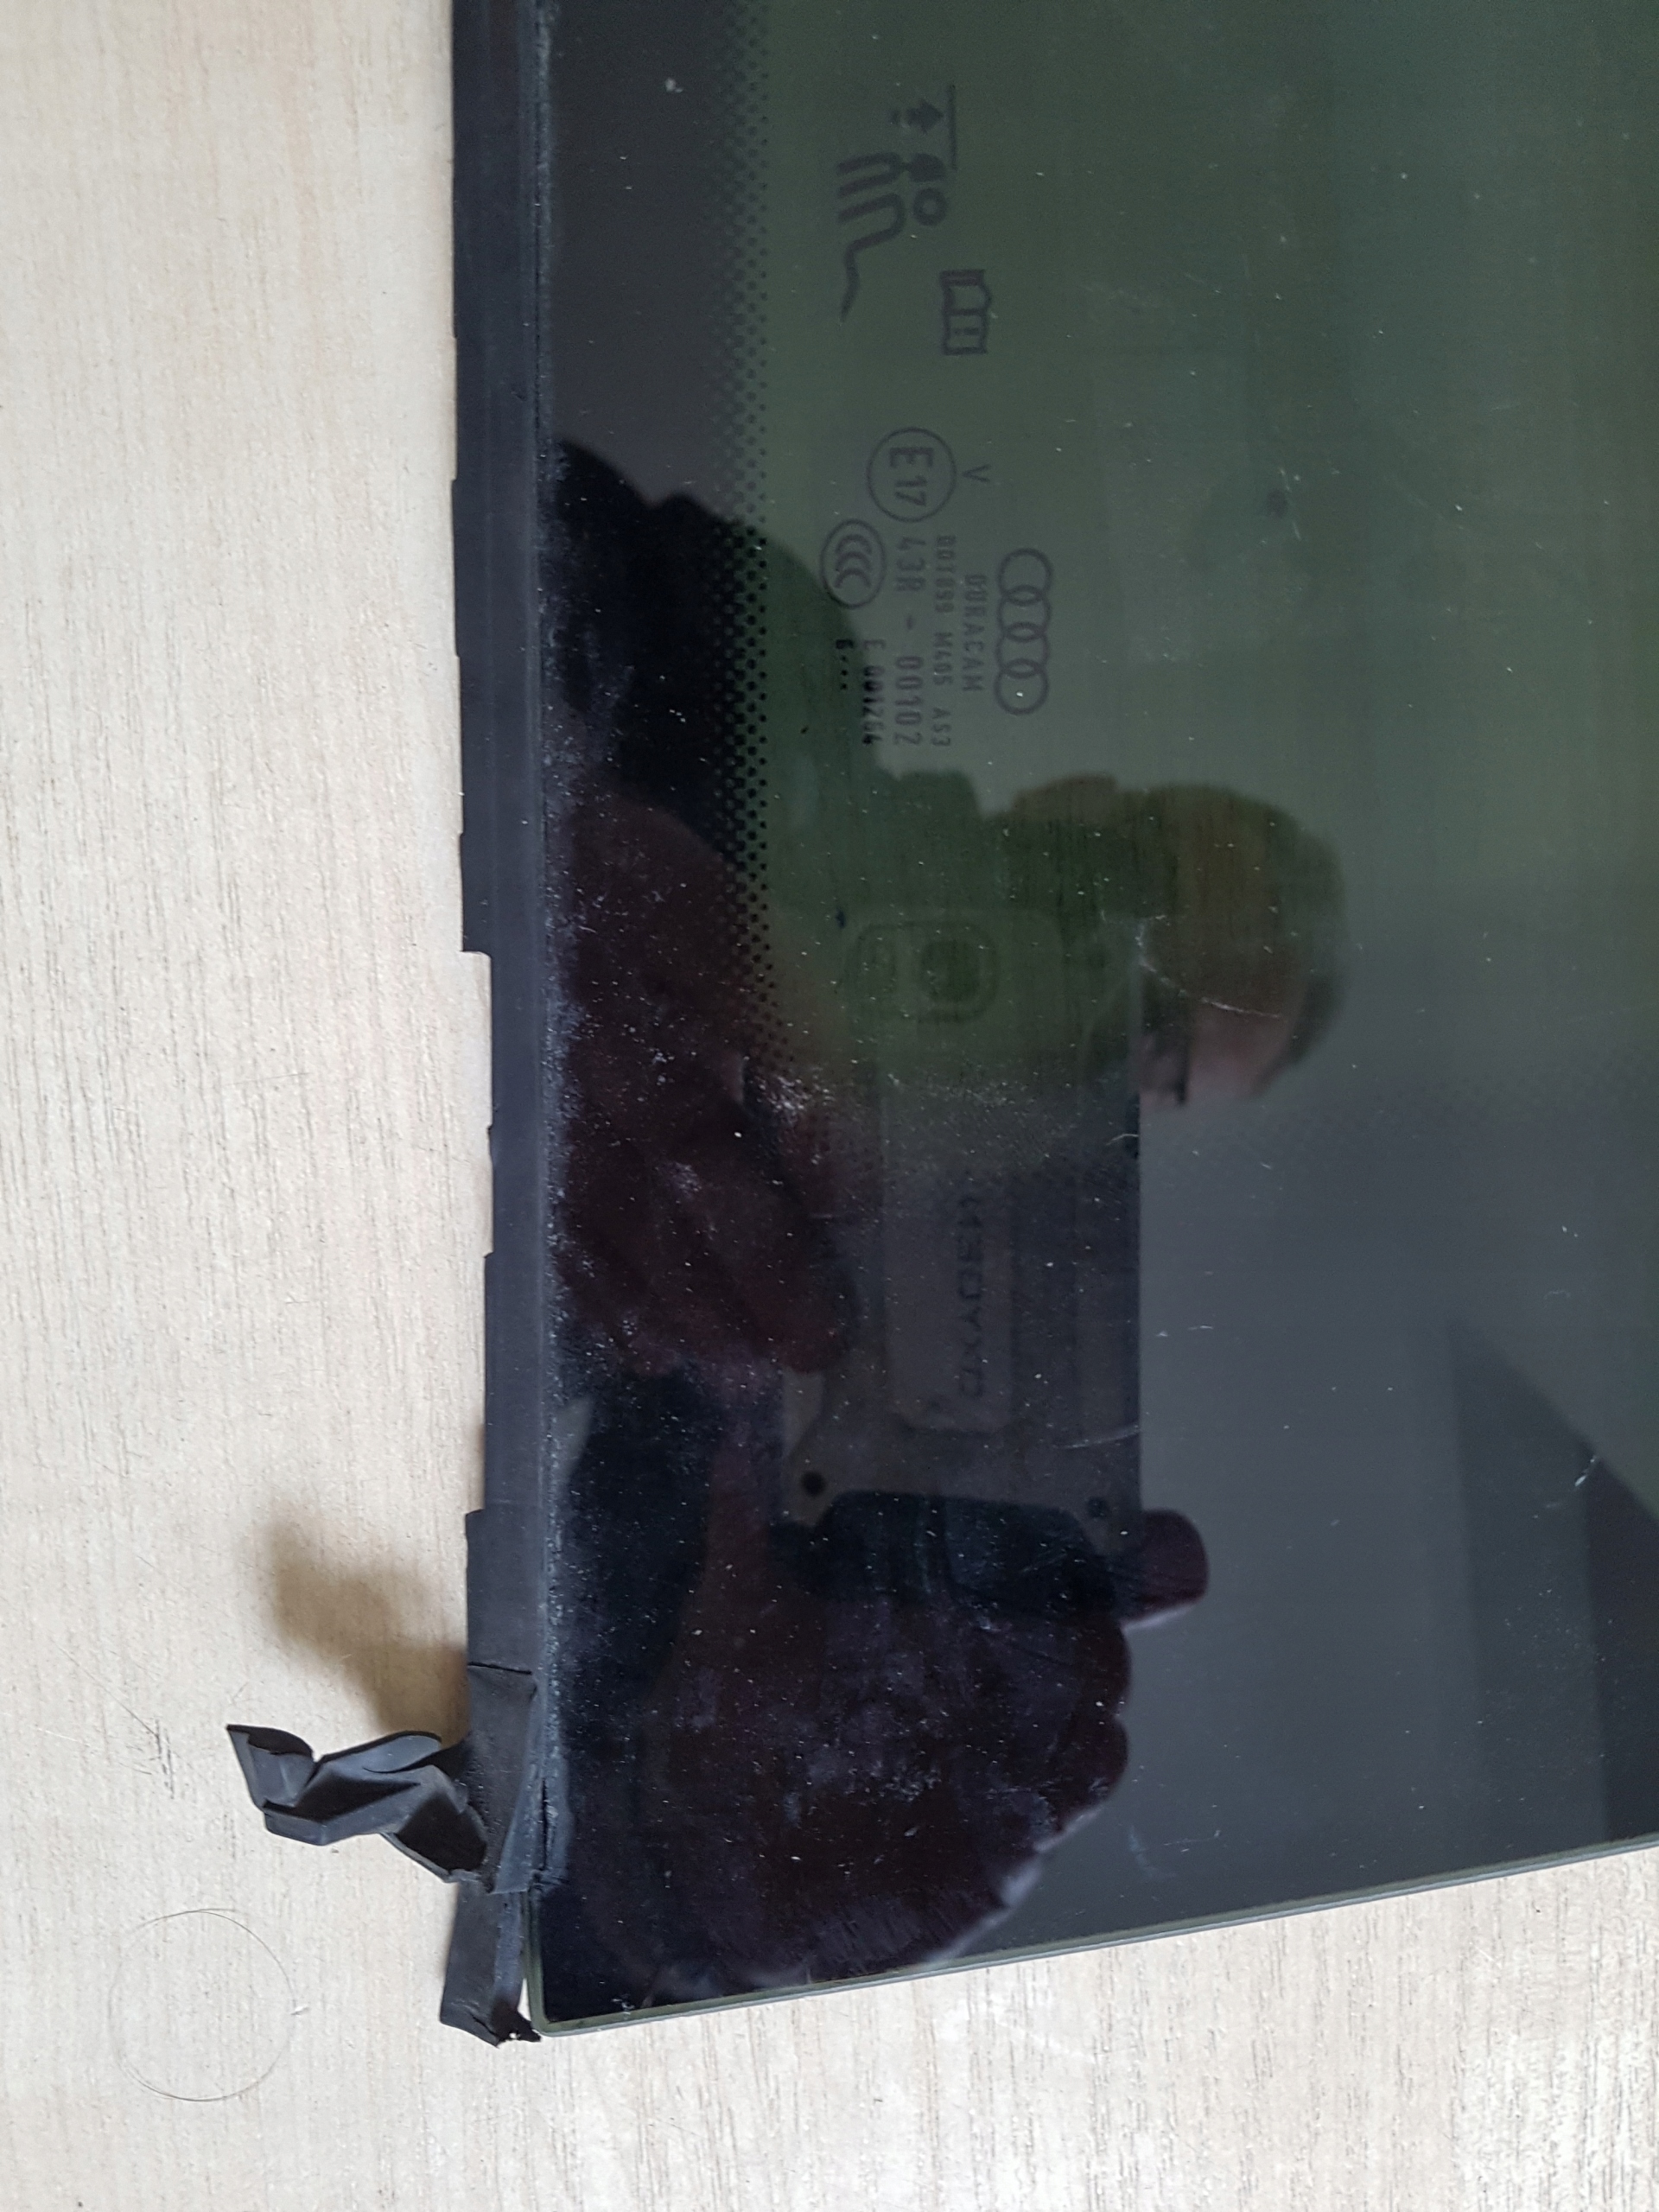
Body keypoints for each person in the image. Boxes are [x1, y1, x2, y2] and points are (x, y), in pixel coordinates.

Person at [536, 445, 1344, 2015]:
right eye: (1132, 881)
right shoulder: (764, 650)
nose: (1090, 957)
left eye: (1148, 1027)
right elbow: (461, 532)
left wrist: (694, 1892)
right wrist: (556, 855)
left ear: (1130, 1121)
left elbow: (506, 1712)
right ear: (1086, 795)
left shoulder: (860, 1400)